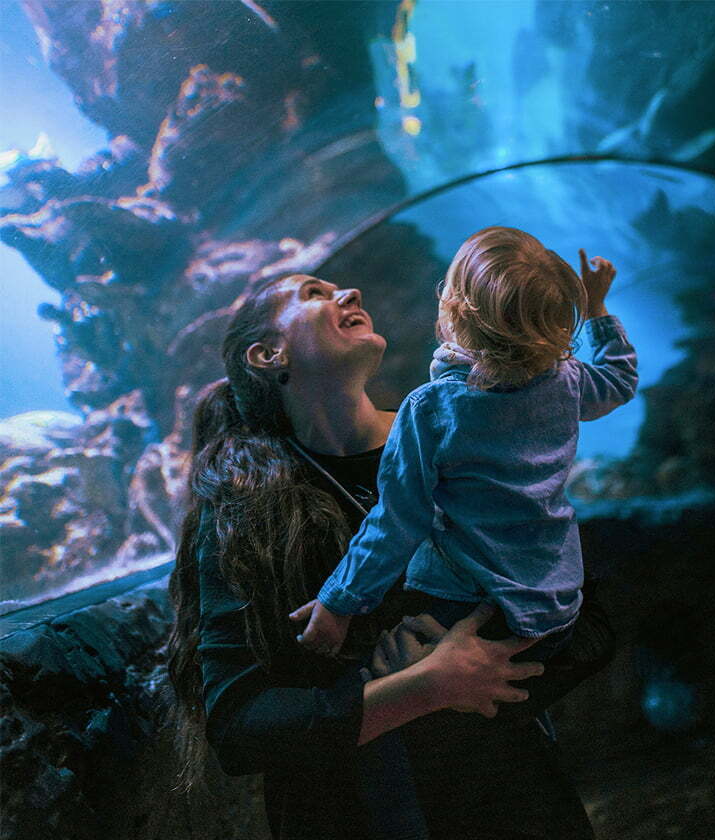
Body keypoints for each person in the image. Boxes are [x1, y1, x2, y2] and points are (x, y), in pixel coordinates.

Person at [166, 269, 616, 840]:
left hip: (511, 798)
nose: (349, 292)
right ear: (267, 354)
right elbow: (240, 726)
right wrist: (426, 686)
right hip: (359, 814)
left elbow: (591, 623)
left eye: (341, 288)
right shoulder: (247, 512)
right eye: (314, 294)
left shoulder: (464, 430)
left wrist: (491, 662)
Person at [291, 228, 637, 837]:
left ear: (451, 309)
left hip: (470, 607)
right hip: (555, 607)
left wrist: (339, 602)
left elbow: (396, 522)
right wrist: (600, 310)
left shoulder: (432, 410)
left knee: (390, 671)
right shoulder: (565, 381)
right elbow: (619, 380)